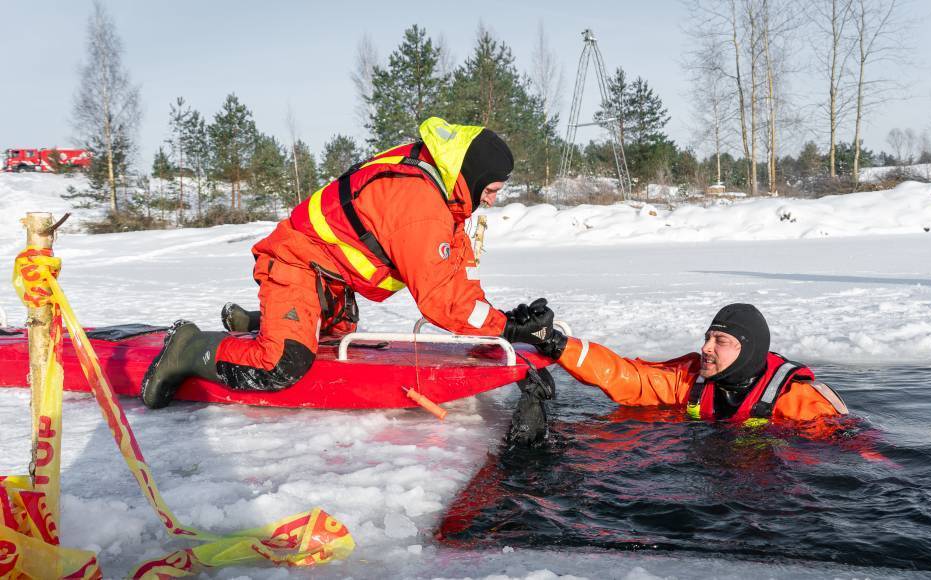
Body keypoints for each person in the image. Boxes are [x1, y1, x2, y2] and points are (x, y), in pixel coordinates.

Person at [141, 117, 554, 408]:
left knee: (339, 333)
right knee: (284, 364)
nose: (492, 199)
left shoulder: (445, 193)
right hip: (296, 262)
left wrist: (501, 319)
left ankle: (273, 319)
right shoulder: (420, 206)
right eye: (493, 189)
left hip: (330, 273)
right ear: (473, 175)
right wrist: (506, 329)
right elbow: (441, 301)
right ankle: (190, 348)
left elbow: (457, 277)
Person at [532, 303, 848, 426]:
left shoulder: (798, 400)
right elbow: (628, 378)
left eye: (720, 342)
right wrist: (556, 344)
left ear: (748, 351)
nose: (705, 348)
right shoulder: (691, 381)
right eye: (707, 337)